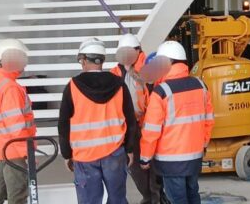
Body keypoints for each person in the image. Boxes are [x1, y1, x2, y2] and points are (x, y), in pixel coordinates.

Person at [59, 38, 140, 204]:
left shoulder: (72, 86)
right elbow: (131, 121)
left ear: (83, 60)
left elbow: (63, 124)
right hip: (115, 153)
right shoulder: (119, 85)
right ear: (101, 60)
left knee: (89, 201)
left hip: (85, 157)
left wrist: (67, 154)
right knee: (117, 199)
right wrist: (129, 149)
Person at [138, 41, 213, 204]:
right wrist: (204, 144)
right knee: (193, 195)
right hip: (195, 157)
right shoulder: (201, 86)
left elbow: (151, 130)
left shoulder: (161, 92)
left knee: (177, 199)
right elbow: (208, 120)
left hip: (171, 161)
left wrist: (145, 158)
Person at [113, 34, 165, 204]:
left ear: (138, 50)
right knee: (135, 167)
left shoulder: (150, 66)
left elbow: (154, 91)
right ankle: (148, 196)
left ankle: (157, 197)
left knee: (152, 164)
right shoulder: (115, 72)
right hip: (128, 126)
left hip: (149, 124)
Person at [0, 39, 36, 204]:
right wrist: (25, 150)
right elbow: (16, 125)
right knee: (18, 195)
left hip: (1, 149)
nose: (25, 64)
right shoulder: (10, 88)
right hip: (14, 150)